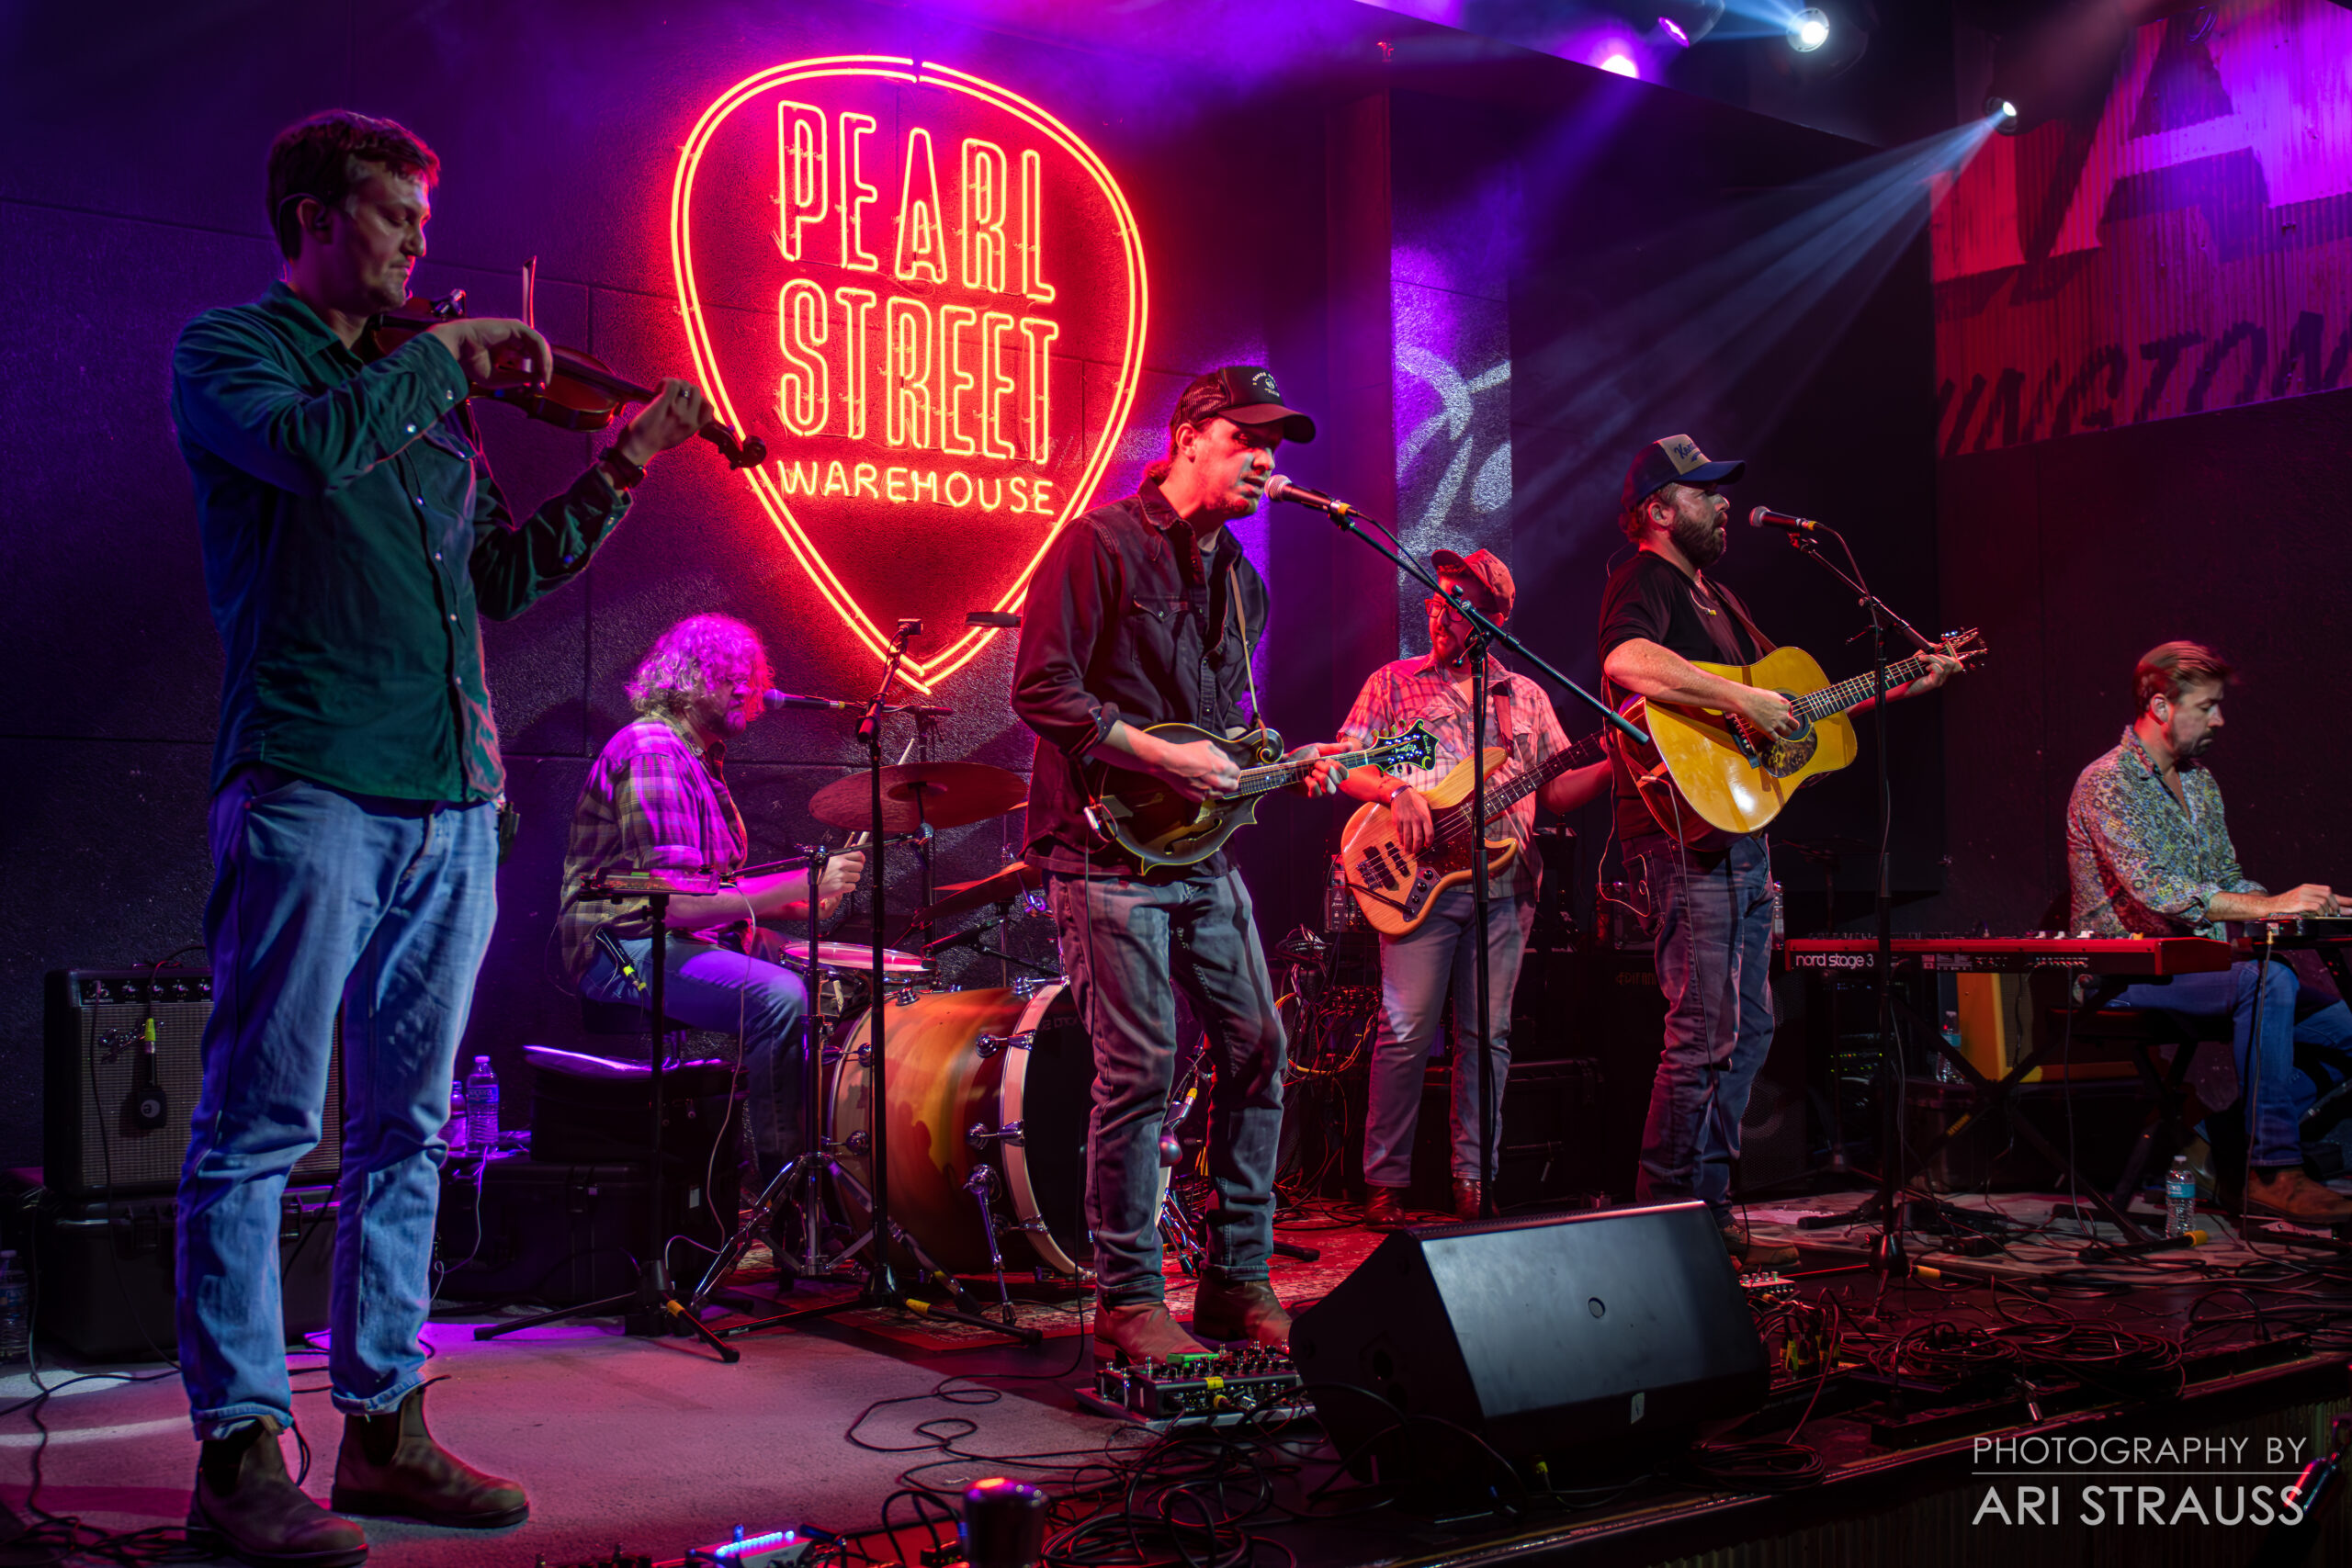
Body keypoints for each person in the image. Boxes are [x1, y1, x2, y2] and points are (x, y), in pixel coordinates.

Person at [169, 109, 716, 1565]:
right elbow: (309, 450)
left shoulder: (430, 404)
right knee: (263, 1126)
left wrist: (626, 460)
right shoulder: (239, 357)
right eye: (392, 216)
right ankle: (234, 1453)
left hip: (452, 799)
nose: (419, 244)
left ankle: (385, 1427)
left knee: (410, 1127)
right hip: (310, 782)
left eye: (421, 218)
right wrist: (447, 353)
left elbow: (499, 572)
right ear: (307, 216)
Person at [1012, 367, 1345, 1364]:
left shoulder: (1244, 584)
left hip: (1198, 856)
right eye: (1247, 440)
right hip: (1102, 851)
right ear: (1190, 435)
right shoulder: (1098, 545)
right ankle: (1128, 1300)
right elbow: (1040, 688)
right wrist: (1157, 755)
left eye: (1275, 450)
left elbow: (1221, 736)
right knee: (1141, 1068)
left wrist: (1282, 764)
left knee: (1258, 1053)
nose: (1264, 463)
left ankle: (1237, 1285)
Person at [1597, 434, 1958, 1269]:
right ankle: (1666, 1216)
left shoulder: (1721, 599)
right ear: (1659, 510)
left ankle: (1708, 1202)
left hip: (1744, 835)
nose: (1724, 503)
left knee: (1751, 1025)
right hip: (1686, 838)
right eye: (1705, 492)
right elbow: (1626, 660)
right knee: (1702, 1028)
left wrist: (1900, 681)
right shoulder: (1643, 577)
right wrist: (1740, 697)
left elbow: (1795, 718)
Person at [1336, 549, 1611, 1224]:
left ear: (1490, 620)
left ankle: (1472, 1182)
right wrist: (1397, 786)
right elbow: (1344, 761)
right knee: (1404, 1029)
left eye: (1458, 601)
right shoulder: (1393, 682)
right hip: (1416, 882)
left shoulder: (1526, 697)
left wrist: (1611, 766)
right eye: (1437, 596)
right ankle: (1385, 1184)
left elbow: (1557, 790)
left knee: (1486, 1037)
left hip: (1507, 886)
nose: (1439, 609)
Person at [559, 615, 865, 1201]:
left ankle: (841, 1158)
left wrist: (807, 900)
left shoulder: (699, 760)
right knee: (779, 997)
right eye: (730, 677)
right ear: (686, 678)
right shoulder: (652, 748)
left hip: (679, 939)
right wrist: (795, 883)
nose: (747, 692)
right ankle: (787, 1191)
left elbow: (712, 894)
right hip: (622, 948)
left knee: (838, 975)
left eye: (750, 678)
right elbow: (671, 906)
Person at [2066, 641, 2352, 1221]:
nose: (2220, 720)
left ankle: (2228, 1138)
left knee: (2346, 1026)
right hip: (2124, 974)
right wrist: (2272, 903)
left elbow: (2226, 880)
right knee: (2267, 980)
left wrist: (2310, 908)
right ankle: (2272, 1171)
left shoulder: (2200, 784)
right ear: (2162, 706)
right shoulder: (2107, 782)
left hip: (2200, 969)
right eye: (2208, 706)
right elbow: (2160, 891)